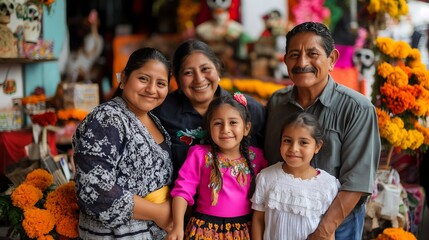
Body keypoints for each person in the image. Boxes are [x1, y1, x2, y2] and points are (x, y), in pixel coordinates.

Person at [264, 22, 381, 240]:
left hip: (336, 227)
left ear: (332, 59)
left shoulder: (357, 108)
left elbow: (357, 180)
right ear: (285, 59)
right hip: (281, 223)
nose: (302, 63)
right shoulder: (277, 103)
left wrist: (324, 230)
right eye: (294, 54)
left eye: (312, 54)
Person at [72, 47, 173, 239]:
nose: (152, 89)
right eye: (143, 79)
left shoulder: (153, 120)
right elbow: (94, 187)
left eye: (161, 83)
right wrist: (159, 213)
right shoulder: (107, 118)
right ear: (124, 78)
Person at [153, 39, 266, 181]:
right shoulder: (162, 112)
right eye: (188, 73)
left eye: (205, 69)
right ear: (177, 78)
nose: (199, 79)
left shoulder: (248, 108)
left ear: (218, 68)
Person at [166, 93, 267, 240]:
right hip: (204, 230)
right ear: (209, 128)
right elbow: (182, 191)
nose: (225, 129)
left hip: (244, 231)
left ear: (246, 128)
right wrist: (177, 227)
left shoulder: (258, 158)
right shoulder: (199, 155)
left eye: (233, 122)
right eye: (218, 123)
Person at [251, 112, 340, 240]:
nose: (294, 148)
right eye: (287, 141)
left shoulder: (328, 185)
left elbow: (329, 231)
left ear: (317, 146)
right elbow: (258, 220)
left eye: (303, 142)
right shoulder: (267, 177)